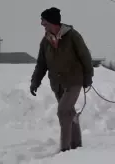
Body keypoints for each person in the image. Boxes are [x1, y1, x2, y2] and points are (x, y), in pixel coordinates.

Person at [30, 7, 94, 152]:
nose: (42, 24)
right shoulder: (45, 41)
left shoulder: (72, 36)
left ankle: (65, 149)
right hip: (57, 83)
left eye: (44, 21)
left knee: (63, 111)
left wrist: (88, 76)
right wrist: (35, 81)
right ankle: (77, 145)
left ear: (53, 22)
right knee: (69, 112)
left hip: (74, 81)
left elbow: (85, 56)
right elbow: (41, 64)